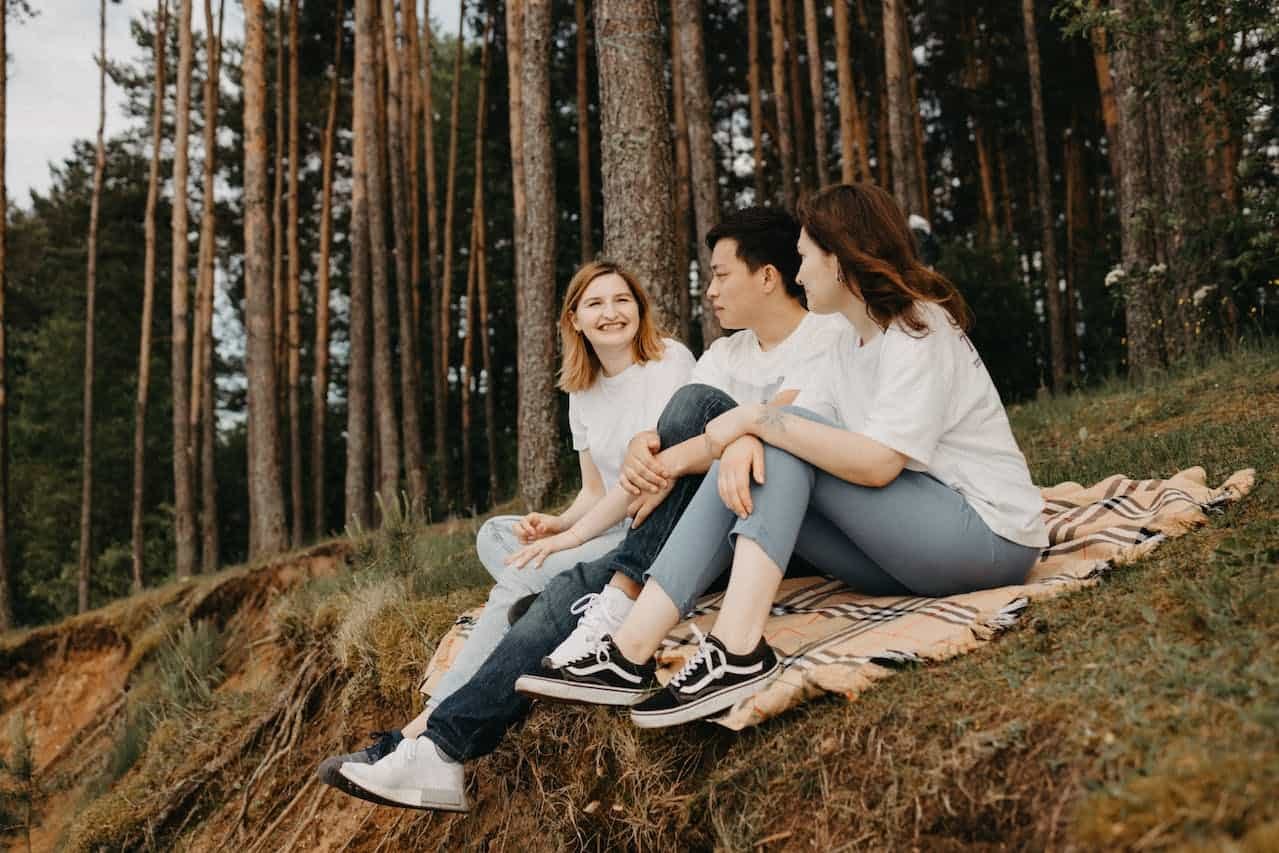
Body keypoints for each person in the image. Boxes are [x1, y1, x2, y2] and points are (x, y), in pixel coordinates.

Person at [323, 206, 848, 811]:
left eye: (720, 274)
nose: (709, 289)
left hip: (774, 532)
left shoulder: (823, 336)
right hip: (701, 526)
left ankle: (610, 604)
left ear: (766, 276)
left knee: (682, 420)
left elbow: (767, 428)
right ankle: (438, 751)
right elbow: (660, 455)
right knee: (556, 588)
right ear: (574, 320)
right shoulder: (725, 356)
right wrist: (643, 451)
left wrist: (674, 456)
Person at [517, 182, 1048, 730]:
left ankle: (736, 649)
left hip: (989, 539)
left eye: (803, 259)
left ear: (839, 259)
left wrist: (754, 424)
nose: (797, 274)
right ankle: (627, 654)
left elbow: (877, 464)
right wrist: (688, 455)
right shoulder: (844, 340)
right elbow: (779, 424)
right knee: (765, 445)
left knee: (777, 437)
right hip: (907, 552)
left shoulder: (917, 328)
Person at [316, 259, 694, 801]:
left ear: (640, 308)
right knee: (497, 534)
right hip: (601, 525)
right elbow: (593, 489)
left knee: (514, 582)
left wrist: (569, 539)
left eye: (622, 300)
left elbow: (649, 479)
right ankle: (543, 591)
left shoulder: (669, 363)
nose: (612, 313)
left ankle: (417, 731)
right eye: (596, 304)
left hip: (647, 525)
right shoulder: (582, 393)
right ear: (575, 320)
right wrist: (558, 523)